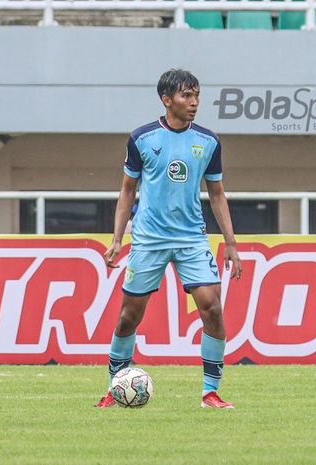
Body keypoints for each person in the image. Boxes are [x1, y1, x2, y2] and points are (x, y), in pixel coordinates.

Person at [95, 69, 242, 409]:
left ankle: (210, 393)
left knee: (213, 310)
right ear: (167, 100)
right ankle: (113, 389)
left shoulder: (208, 141)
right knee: (128, 317)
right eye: (186, 96)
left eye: (196, 96)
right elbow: (126, 191)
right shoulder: (142, 138)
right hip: (148, 240)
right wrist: (118, 239)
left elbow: (217, 194)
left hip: (191, 238)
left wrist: (230, 242)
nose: (194, 103)